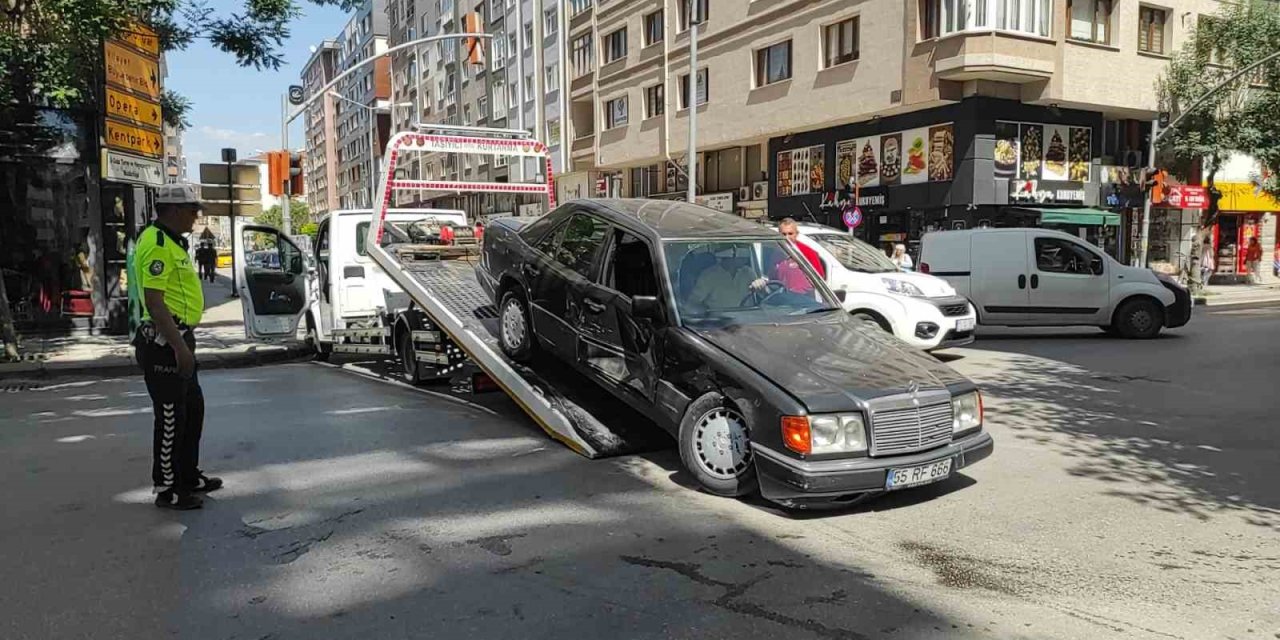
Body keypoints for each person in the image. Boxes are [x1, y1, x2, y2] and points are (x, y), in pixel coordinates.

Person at [133, 183, 221, 510]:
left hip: (179, 337)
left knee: (192, 411)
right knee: (171, 418)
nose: (196, 217)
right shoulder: (157, 244)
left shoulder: (173, 242)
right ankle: (167, 489)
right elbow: (155, 303)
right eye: (192, 210)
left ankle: (188, 476)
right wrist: (179, 348)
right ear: (173, 210)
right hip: (164, 342)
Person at [687, 245, 768, 309]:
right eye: (742, 254)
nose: (745, 258)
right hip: (719, 324)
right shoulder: (709, 275)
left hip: (748, 320)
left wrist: (762, 286)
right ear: (730, 255)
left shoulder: (748, 272)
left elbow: (765, 296)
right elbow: (693, 303)